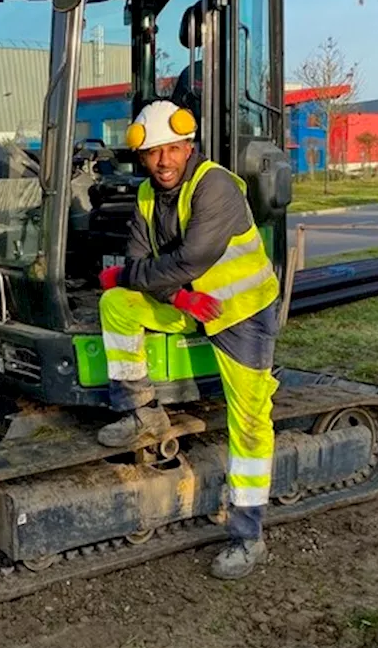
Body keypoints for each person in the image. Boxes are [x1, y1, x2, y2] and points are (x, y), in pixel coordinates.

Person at [96, 99, 281, 580]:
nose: (163, 161)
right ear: (142, 157)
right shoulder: (144, 196)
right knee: (115, 304)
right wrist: (176, 298)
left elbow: (189, 258)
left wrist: (137, 276)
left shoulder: (215, 185)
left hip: (240, 314)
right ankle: (141, 411)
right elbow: (140, 268)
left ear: (188, 145)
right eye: (153, 153)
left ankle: (248, 535)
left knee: (251, 424)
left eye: (172, 149)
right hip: (192, 305)